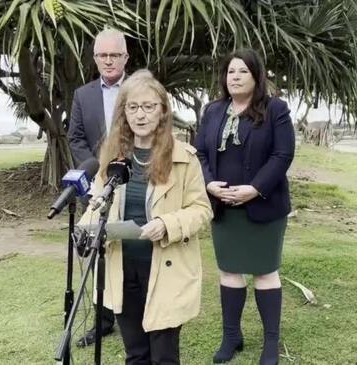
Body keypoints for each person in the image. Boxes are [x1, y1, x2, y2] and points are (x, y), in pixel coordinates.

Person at [78, 71, 212, 364]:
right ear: (123, 112)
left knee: (163, 356)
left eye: (149, 107)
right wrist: (85, 229)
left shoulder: (184, 158)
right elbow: (97, 202)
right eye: (133, 107)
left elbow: (202, 210)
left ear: (163, 111)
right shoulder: (111, 156)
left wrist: (167, 225)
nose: (141, 115)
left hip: (166, 267)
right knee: (135, 353)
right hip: (122, 267)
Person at [194, 49, 295, 365]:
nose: (235, 77)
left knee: (265, 273)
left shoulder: (275, 110)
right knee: (229, 272)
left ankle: (270, 344)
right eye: (230, 72)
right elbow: (200, 154)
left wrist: (254, 189)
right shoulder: (213, 111)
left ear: (256, 76)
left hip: (263, 207)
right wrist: (209, 184)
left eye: (242, 72)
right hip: (224, 209)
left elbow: (282, 155)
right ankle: (231, 336)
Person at [67, 27, 129, 346]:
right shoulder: (83, 95)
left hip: (135, 179)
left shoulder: (140, 88)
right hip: (97, 184)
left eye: (114, 55)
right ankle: (104, 320)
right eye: (103, 55)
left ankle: (133, 314)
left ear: (125, 57)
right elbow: (74, 137)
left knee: (131, 245)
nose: (108, 60)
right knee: (96, 248)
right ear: (95, 58)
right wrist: (96, 166)